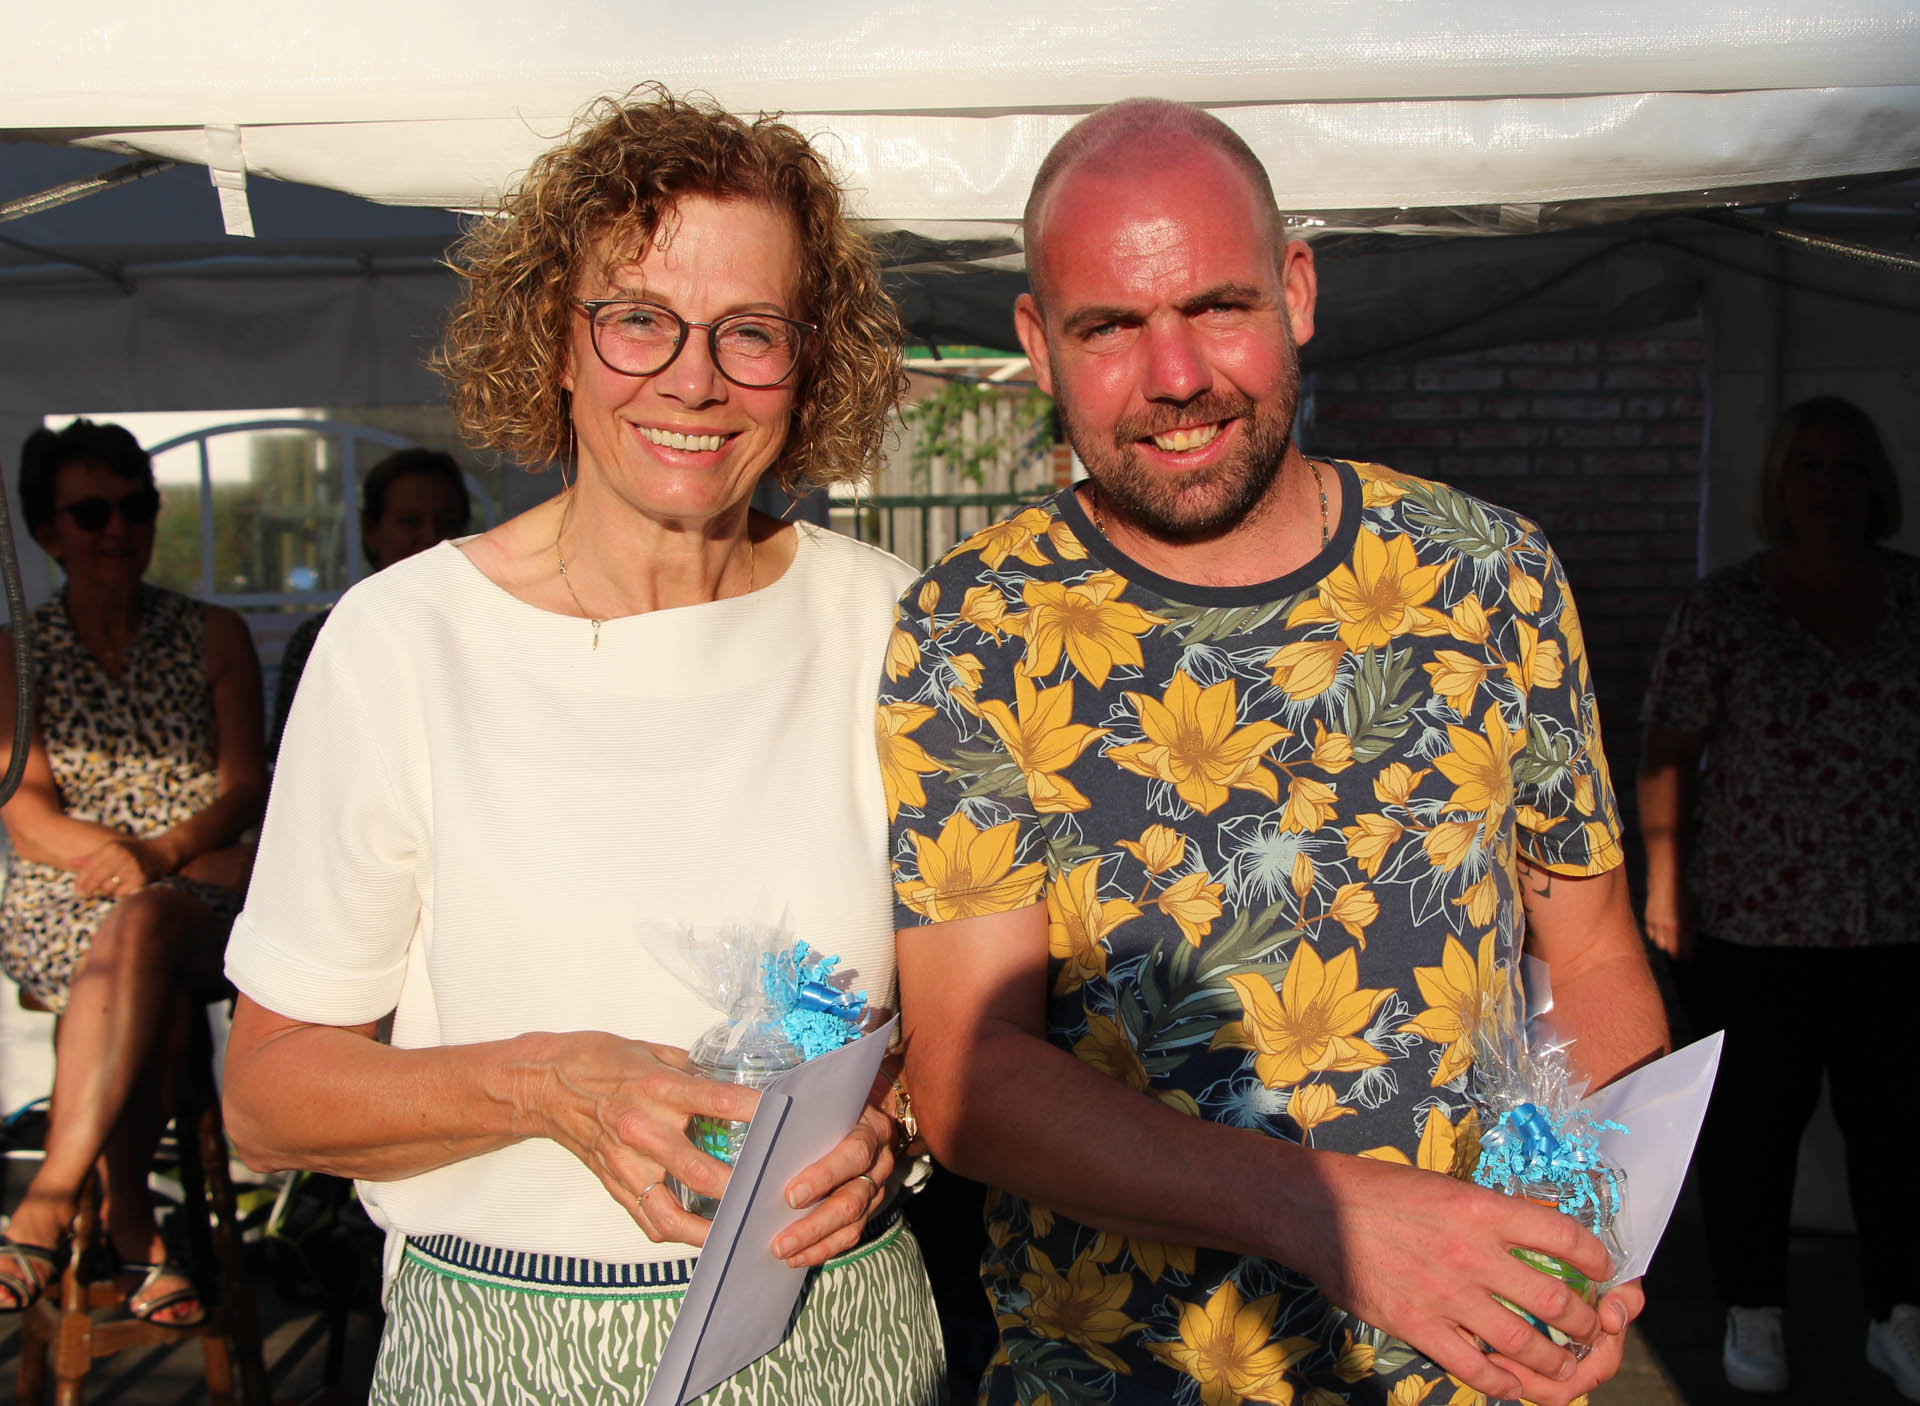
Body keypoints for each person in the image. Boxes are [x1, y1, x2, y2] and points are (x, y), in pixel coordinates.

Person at [879, 98, 1669, 1406]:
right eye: (1110, 327)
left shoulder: (1491, 576)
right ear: (1037, 342)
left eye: (1217, 306)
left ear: (1296, 290)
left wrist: (1594, 1239)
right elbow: (970, 1072)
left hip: (1474, 1371)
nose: (1175, 374)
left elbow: (1585, 951)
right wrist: (1330, 1215)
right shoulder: (973, 627)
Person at [219, 91, 944, 1404]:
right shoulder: (404, 642)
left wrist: (895, 1119)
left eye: (751, 331)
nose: (694, 378)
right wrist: (549, 1085)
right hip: (505, 1354)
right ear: (555, 337)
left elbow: (968, 1022)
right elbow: (267, 1095)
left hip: (843, 1337)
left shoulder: (890, 625)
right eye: (639, 319)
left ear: (811, 359)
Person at [1639, 395, 1919, 1398]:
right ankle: (1752, 1310)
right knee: (1751, 1132)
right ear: (1779, 486)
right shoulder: (1728, 608)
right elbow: (1668, 749)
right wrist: (1665, 889)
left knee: (1898, 1132)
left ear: (1873, 484)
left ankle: (1900, 1314)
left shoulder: (1911, 598)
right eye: (1809, 467)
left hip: (1896, 919)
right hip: (1754, 922)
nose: (1828, 487)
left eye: (1846, 468)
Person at [0, 418, 268, 1323]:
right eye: (91, 513)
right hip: (70, 900)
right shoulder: (16, 651)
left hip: (187, 895)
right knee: (147, 981)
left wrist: (155, 856)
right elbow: (27, 817)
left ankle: (48, 1201)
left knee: (145, 924)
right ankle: (131, 1225)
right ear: (47, 532)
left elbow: (243, 788)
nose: (118, 528)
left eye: (136, 506)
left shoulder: (213, 632)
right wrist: (134, 860)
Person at [269, 446, 472, 751]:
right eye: (409, 521)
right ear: (370, 530)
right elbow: (294, 759)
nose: (431, 536)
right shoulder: (325, 637)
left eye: (447, 521)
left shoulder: (490, 630)